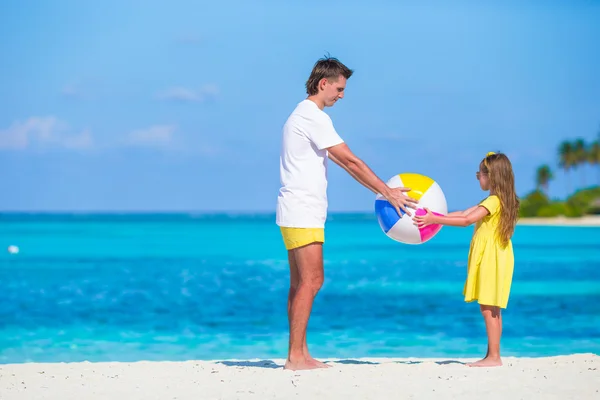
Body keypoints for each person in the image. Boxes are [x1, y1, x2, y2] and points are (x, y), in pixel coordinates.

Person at [275, 56, 418, 371]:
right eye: (339, 88)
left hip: (294, 210)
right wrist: (386, 191)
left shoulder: (301, 116)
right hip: (302, 211)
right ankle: (296, 357)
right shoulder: (313, 117)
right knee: (312, 280)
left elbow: (341, 162)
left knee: (300, 283)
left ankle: (299, 352)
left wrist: (379, 189)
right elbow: (350, 161)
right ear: (323, 83)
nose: (342, 95)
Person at [413, 152, 519, 367]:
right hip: (498, 254)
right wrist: (437, 216)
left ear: (492, 176)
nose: (477, 177)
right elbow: (462, 212)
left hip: (491, 256)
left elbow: (467, 220)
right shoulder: (497, 200)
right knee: (493, 308)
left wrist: (433, 219)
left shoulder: (493, 201)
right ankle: (492, 354)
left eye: (479, 173)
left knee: (488, 307)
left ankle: (494, 357)